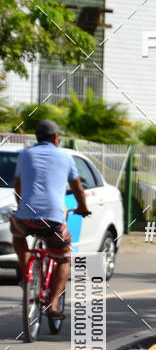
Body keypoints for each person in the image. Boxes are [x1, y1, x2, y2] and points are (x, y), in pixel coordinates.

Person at [12, 119, 90, 320]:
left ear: (37, 138)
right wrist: (83, 208)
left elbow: (18, 187)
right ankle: (53, 303)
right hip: (53, 220)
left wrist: (23, 208)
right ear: (56, 138)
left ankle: (26, 270)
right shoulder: (65, 157)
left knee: (17, 232)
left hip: (25, 218)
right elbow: (78, 189)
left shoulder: (25, 155)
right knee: (64, 257)